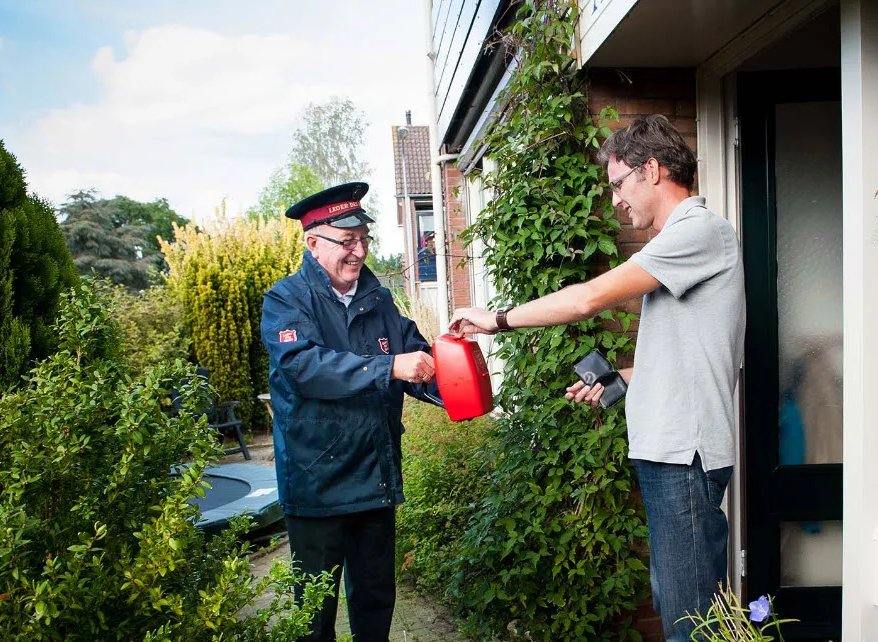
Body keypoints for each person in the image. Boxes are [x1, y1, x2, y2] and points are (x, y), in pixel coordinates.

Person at [448, 114, 745, 641]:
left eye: (618, 184)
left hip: (684, 456)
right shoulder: (681, 241)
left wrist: (496, 319)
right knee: (678, 605)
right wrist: (624, 379)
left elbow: (588, 298)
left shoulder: (700, 232)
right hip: (668, 453)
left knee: (690, 625)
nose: (614, 200)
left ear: (651, 169)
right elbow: (694, 357)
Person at [260, 181, 441, 642]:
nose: (359, 251)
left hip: (375, 478)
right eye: (347, 240)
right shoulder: (286, 300)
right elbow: (305, 368)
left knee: (376, 599)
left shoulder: (377, 298)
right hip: (317, 484)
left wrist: (456, 378)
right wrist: (390, 367)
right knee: (315, 613)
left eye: (364, 238)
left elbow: (413, 355)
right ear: (313, 242)